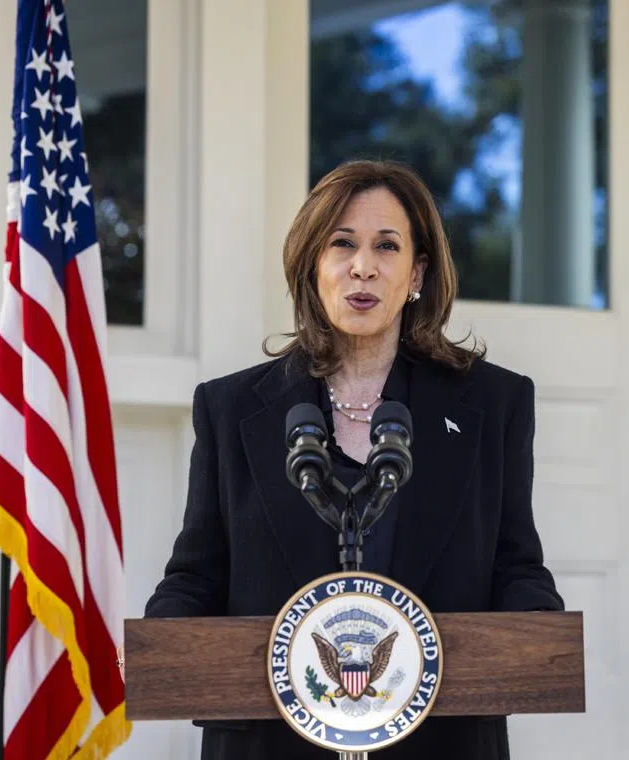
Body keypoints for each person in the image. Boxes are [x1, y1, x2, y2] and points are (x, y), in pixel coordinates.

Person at [144, 159, 564, 759]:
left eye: (386, 246)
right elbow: (197, 574)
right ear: (313, 264)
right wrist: (160, 643)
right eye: (342, 243)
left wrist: (534, 637)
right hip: (269, 743)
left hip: (438, 742)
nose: (362, 266)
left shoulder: (493, 404)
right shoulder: (232, 408)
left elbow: (515, 564)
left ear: (417, 272)